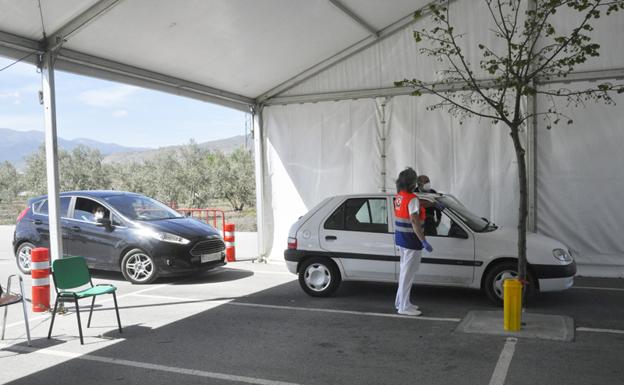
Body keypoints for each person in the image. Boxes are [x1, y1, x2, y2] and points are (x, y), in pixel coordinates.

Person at [394, 168, 433, 316]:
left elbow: (408, 209)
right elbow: (414, 221)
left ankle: (402, 302)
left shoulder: (400, 196)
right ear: (412, 182)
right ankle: (403, 307)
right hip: (411, 240)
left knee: (405, 272)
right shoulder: (412, 199)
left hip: (401, 239)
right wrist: (423, 241)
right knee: (407, 274)